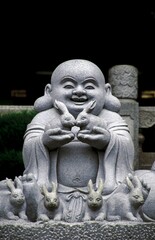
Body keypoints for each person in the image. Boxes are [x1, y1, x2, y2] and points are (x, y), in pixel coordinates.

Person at [22, 59, 135, 222]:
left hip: (100, 196)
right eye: (68, 85)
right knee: (26, 191)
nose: (79, 92)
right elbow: (30, 144)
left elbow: (125, 145)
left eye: (89, 86)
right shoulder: (43, 118)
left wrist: (109, 141)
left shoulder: (111, 118)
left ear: (106, 91)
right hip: (53, 196)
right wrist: (43, 142)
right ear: (49, 91)